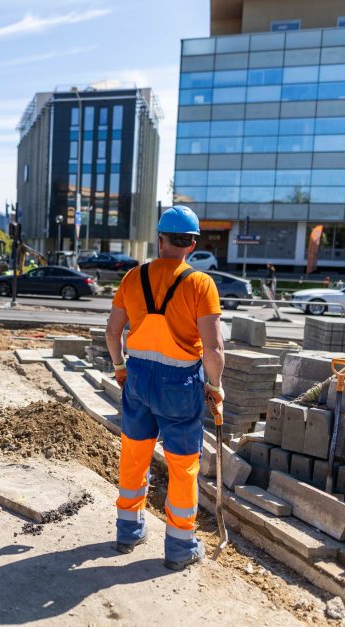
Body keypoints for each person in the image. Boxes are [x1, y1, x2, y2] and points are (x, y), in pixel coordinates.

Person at [104, 205, 225, 571]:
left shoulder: (132, 278)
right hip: (180, 383)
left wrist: (120, 367)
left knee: (134, 453)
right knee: (183, 464)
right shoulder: (200, 284)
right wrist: (216, 388)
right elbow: (215, 349)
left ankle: (128, 530)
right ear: (190, 244)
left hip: (138, 378)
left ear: (160, 240)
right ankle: (179, 546)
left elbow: (113, 332)